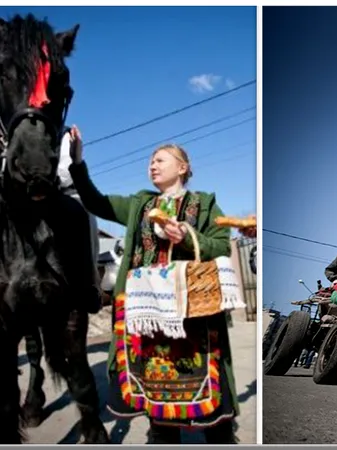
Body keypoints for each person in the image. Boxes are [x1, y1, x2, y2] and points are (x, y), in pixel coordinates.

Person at [66, 126, 239, 444]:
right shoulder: (139, 205)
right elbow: (95, 201)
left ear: (183, 168)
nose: (152, 165)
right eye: (150, 162)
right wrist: (77, 162)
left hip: (191, 315)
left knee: (211, 403)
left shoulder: (203, 204)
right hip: (147, 314)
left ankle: (218, 432)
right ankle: (161, 434)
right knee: (156, 395)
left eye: (160, 159)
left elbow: (222, 246)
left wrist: (188, 237)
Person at [57, 129, 103, 313]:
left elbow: (66, 172)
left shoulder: (65, 133)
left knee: (85, 222)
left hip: (67, 192)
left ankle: (90, 288)